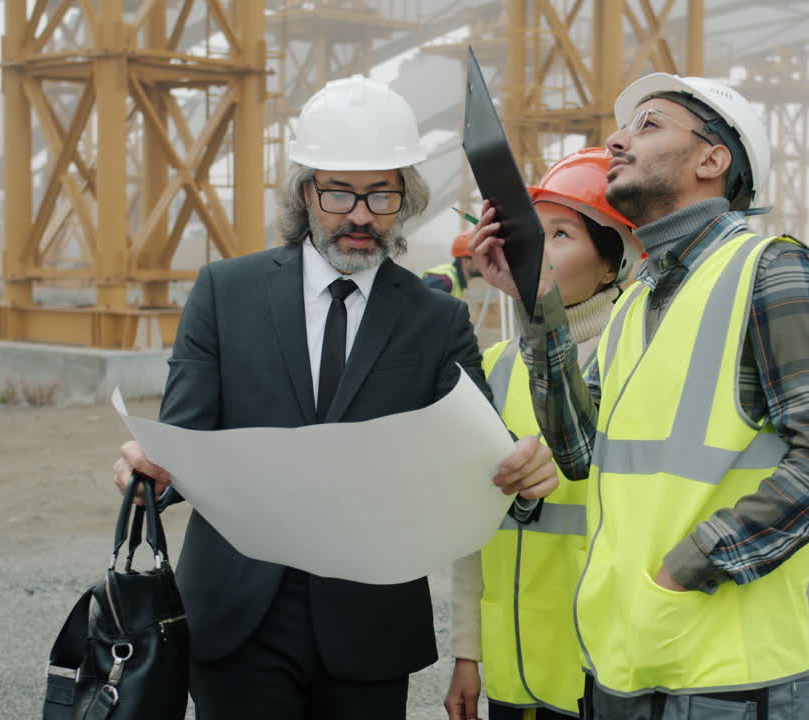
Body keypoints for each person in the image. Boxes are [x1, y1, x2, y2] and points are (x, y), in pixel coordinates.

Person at [109, 75, 559, 720]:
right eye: (339, 192)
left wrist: (520, 473)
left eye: (381, 195)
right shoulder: (225, 293)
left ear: (405, 201)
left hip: (368, 620)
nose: (359, 215)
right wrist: (149, 470)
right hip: (240, 612)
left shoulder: (437, 320)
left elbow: (479, 458)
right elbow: (187, 439)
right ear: (305, 192)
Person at [471, 73, 809, 720]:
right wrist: (534, 303)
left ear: (713, 160)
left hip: (721, 681)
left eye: (649, 124)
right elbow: (578, 450)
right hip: (622, 665)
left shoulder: (772, 271)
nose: (617, 139)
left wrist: (687, 566)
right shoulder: (639, 305)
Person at [443, 148, 639, 720]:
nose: (539, 250)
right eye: (535, 231)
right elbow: (472, 528)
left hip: (595, 667)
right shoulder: (499, 365)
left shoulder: (635, 360)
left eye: (562, 234)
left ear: (613, 263)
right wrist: (466, 654)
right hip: (510, 666)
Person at [422, 230, 481, 297]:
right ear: (466, 261)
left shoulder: (456, 281)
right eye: (482, 259)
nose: (486, 263)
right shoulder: (444, 281)